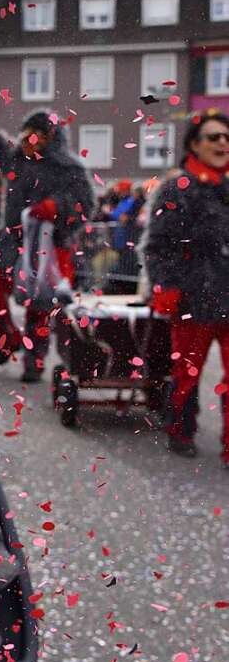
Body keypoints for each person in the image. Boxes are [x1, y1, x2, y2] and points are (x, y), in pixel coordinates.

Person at [0, 94, 94, 383]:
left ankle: (35, 357)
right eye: (27, 133)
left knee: (40, 306)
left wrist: (56, 208)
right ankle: (8, 338)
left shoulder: (70, 170)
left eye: (37, 135)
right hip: (10, 240)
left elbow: (84, 205)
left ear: (50, 139)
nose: (29, 139)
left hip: (51, 246)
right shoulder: (15, 160)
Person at [144, 111, 229, 466]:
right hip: (194, 299)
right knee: (186, 376)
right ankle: (180, 429)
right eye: (213, 137)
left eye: (226, 136)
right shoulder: (177, 188)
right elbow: (160, 245)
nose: (222, 143)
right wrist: (165, 285)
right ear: (194, 145)